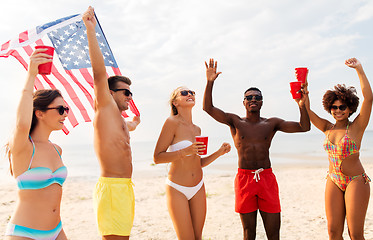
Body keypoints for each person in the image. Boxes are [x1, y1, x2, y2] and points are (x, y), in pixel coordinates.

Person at [202, 58, 311, 240]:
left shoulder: (272, 123)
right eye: (249, 97)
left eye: (257, 97)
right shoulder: (235, 121)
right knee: (248, 233)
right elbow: (208, 108)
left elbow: (304, 127)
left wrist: (301, 106)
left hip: (266, 178)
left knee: (273, 234)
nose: (253, 99)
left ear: (262, 102)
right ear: (243, 102)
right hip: (244, 179)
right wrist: (210, 82)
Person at [83, 7, 140, 240]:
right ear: (110, 93)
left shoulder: (119, 120)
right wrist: (90, 31)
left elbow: (128, 129)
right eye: (125, 92)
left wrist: (135, 122)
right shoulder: (105, 109)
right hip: (112, 187)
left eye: (131, 93)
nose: (129, 97)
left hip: (125, 187)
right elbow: (99, 74)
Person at [303, 58, 371, 240]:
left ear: (350, 109)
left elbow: (369, 98)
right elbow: (307, 111)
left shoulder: (356, 127)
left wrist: (359, 69)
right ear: (329, 108)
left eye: (342, 107)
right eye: (334, 107)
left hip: (355, 180)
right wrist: (305, 89)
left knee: (355, 234)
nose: (338, 110)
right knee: (333, 233)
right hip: (333, 180)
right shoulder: (327, 127)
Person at [5, 48, 68, 239]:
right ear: (39, 113)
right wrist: (31, 74)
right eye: (60, 109)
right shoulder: (23, 147)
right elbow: (22, 124)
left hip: (57, 230)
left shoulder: (57, 149)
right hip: (25, 234)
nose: (65, 113)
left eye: (66, 108)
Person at [153, 86, 231, 240]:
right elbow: (157, 157)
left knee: (198, 237)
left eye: (192, 92)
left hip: (198, 187)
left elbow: (198, 163)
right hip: (177, 188)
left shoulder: (197, 130)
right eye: (184, 93)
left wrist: (219, 153)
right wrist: (185, 151)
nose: (189, 94)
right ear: (175, 102)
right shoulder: (171, 122)